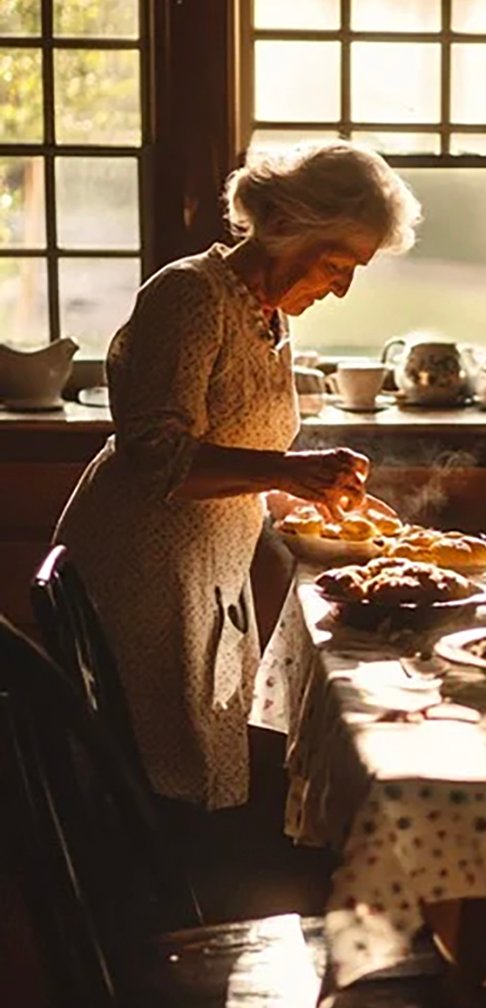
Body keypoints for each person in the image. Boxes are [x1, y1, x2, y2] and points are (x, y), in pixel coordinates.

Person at [54, 140, 422, 810]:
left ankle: (183, 882)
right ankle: (149, 902)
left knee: (194, 757)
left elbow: (239, 448)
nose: (342, 287)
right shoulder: (189, 295)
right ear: (288, 229)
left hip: (206, 570)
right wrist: (289, 470)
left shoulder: (270, 314)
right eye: (338, 262)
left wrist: (306, 490)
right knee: (147, 770)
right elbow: (157, 452)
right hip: (144, 567)